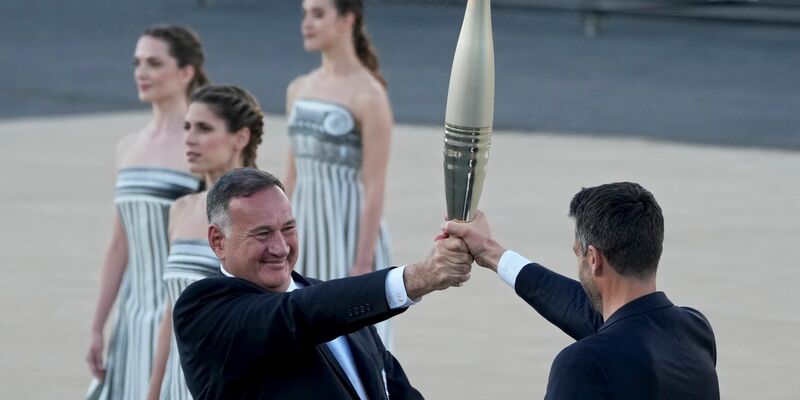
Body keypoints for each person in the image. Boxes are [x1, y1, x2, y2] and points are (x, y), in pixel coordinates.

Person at [173, 168, 472, 399]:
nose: (280, 247)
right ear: (217, 241)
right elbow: (294, 315)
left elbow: (396, 391)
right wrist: (419, 277)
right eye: (262, 234)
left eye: (288, 228)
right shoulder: (203, 311)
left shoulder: (339, 305)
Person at [443, 182, 720, 399]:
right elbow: (599, 316)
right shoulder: (695, 331)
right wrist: (491, 252)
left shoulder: (583, 364)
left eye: (578, 254)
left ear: (594, 259)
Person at [85, 25, 209, 400]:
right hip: (132, 316)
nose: (142, 72)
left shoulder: (201, 146)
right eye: (137, 63)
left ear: (186, 72)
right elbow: (119, 245)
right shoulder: (127, 147)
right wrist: (97, 326)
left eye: (154, 63)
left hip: (178, 314)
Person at [283, 0, 395, 345]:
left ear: (348, 19)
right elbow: (291, 173)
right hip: (304, 223)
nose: (307, 23)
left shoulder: (369, 94)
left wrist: (362, 263)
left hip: (346, 228)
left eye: (318, 14)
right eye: (305, 14)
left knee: (349, 339)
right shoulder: (298, 88)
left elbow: (374, 184)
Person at [145, 86, 265, 400]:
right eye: (187, 127)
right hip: (177, 384)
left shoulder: (264, 211)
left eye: (204, 128)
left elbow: (270, 314)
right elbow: (171, 311)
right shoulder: (180, 209)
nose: (189, 138)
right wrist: (154, 390)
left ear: (240, 137)